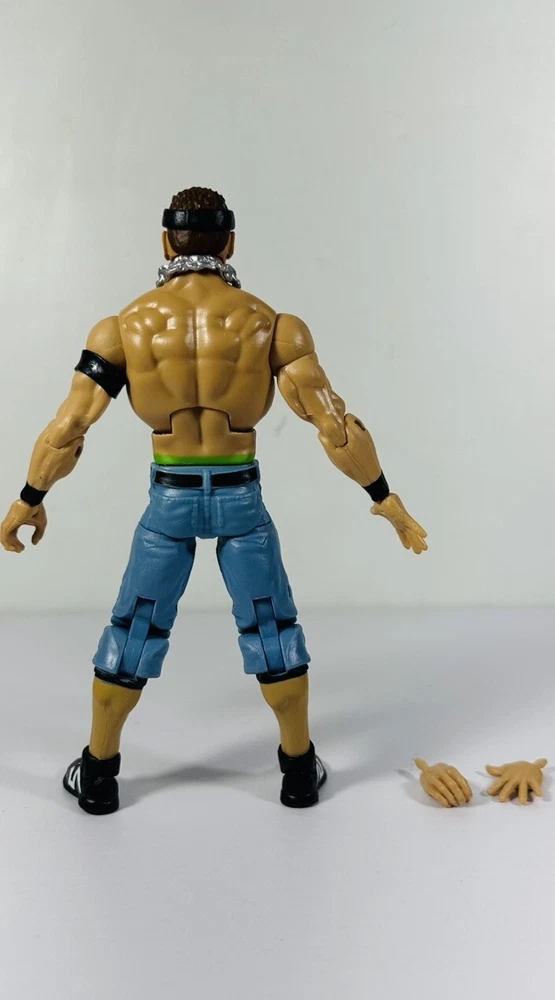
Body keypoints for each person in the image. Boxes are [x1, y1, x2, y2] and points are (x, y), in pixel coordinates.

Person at [0, 187, 427, 815]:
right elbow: (335, 426)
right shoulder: (273, 326)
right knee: (273, 628)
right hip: (239, 498)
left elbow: (69, 427)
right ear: (229, 244)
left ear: (165, 242)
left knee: (134, 628)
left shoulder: (123, 328)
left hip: (169, 501)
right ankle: (298, 772)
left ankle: (98, 774)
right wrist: (385, 498)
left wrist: (28, 498)